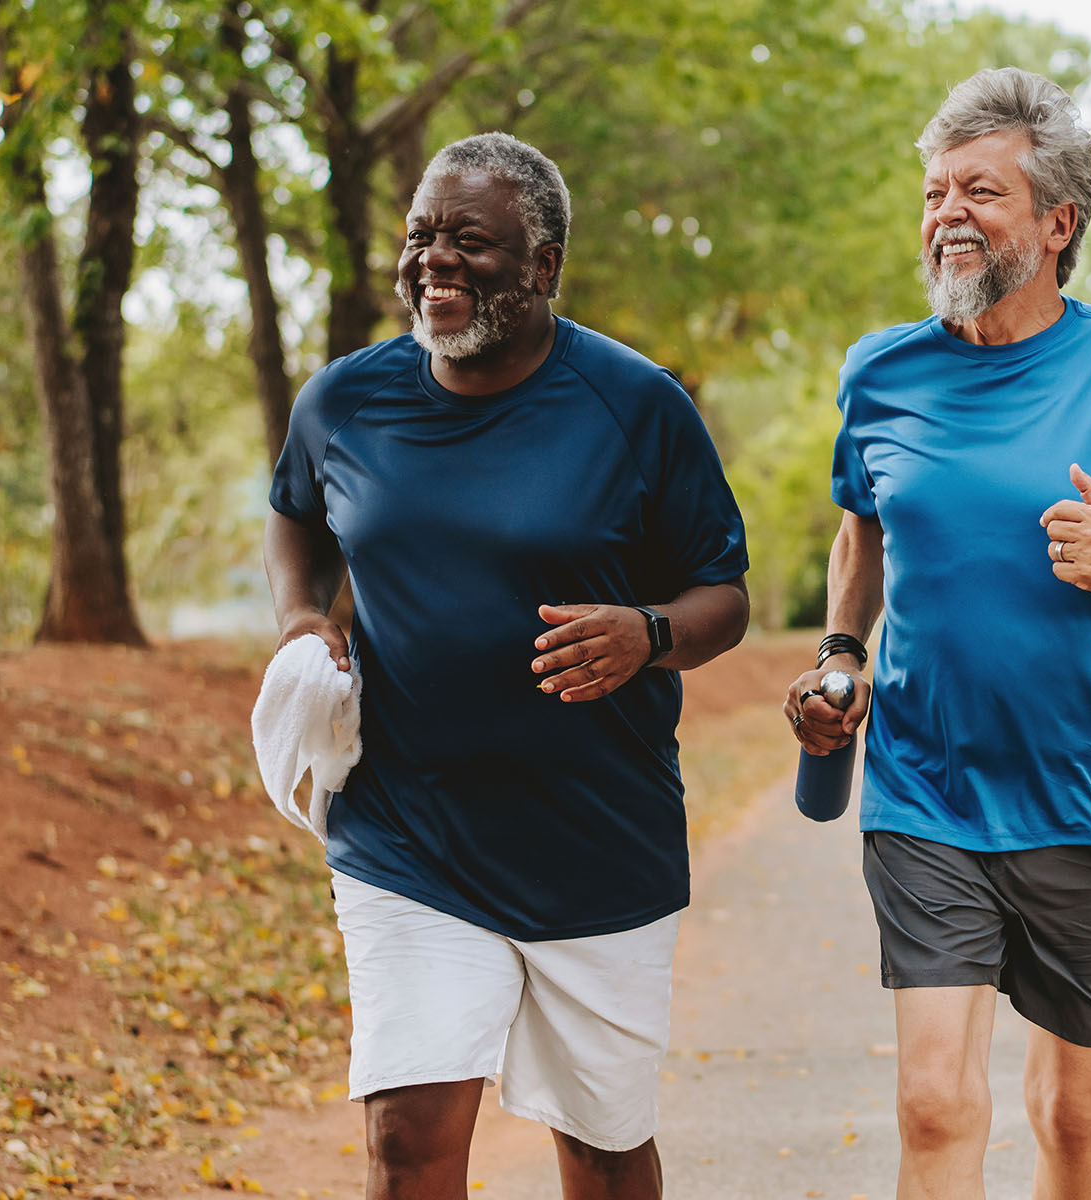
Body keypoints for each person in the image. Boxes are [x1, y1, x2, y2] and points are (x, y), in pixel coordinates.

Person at [783, 68, 1091, 1200]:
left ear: (1057, 223)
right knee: (935, 1103)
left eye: (980, 191)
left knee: (1071, 1119)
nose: (946, 213)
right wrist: (840, 659)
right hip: (927, 789)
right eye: (935, 191)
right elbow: (865, 536)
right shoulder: (880, 372)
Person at [264, 132, 749, 1200]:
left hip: (597, 843)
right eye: (420, 236)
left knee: (605, 1149)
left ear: (542, 266)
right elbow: (295, 514)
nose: (433, 260)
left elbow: (726, 596)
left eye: (469, 242)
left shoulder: (637, 406)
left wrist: (648, 634)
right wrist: (303, 614)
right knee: (407, 1138)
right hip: (408, 834)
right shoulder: (344, 403)